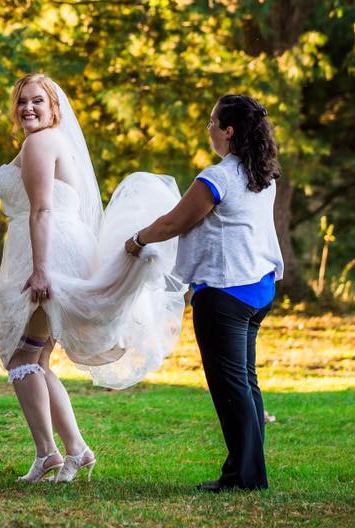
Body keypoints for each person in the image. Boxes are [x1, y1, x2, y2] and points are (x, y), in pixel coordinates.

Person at [0, 73, 187, 483]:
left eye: (37, 101)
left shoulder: (40, 143)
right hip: (50, 244)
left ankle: (50, 454)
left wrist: (41, 270)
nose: (28, 108)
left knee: (22, 357)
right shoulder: (47, 141)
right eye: (22, 101)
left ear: (54, 108)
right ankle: (75, 450)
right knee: (38, 359)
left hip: (48, 251)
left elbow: (43, 209)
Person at [124, 93, 283, 492]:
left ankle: (247, 477)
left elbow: (173, 223)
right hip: (258, 288)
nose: (208, 128)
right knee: (245, 383)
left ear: (228, 131)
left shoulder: (217, 178)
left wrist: (137, 240)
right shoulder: (261, 175)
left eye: (213, 122)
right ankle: (243, 471)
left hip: (225, 294)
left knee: (231, 388)